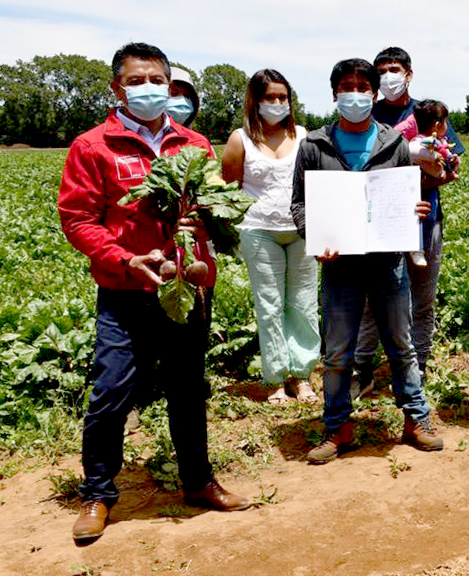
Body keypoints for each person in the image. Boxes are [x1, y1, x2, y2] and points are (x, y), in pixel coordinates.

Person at [58, 42, 251, 543]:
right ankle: (98, 493)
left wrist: (204, 245)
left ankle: (198, 481)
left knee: (188, 388)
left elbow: (213, 209)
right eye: (136, 80)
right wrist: (125, 259)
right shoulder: (93, 145)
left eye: (156, 80)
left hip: (185, 287)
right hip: (125, 289)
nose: (148, 88)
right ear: (117, 87)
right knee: (111, 390)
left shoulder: (193, 144)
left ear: (169, 84)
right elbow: (78, 219)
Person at [290, 58, 443, 463]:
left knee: (401, 343)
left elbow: (402, 196)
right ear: (334, 93)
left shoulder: (392, 142)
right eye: (346, 87)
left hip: (387, 259)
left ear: (373, 94)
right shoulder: (315, 145)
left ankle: (416, 419)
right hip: (340, 264)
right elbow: (300, 205)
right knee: (338, 352)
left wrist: (415, 210)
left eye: (362, 87)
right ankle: (337, 427)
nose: (354, 94)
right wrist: (316, 237)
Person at [350, 48, 465, 395]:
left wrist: (421, 180)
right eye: (382, 71)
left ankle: (418, 368)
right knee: (370, 300)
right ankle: (362, 370)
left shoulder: (428, 112)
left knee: (422, 297)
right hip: (378, 220)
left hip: (426, 220)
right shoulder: (367, 115)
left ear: (409, 74)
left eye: (394, 69)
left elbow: (451, 163)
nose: (388, 77)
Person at [221, 69, 319, 405]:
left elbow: (316, 184)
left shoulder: (304, 135)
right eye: (269, 98)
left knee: (304, 304)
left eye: (282, 97)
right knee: (270, 305)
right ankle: (277, 379)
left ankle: (303, 376)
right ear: (255, 101)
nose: (277, 104)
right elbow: (229, 189)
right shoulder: (240, 139)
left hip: (301, 231)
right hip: (259, 230)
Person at [395, 99, 460, 269]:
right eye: (446, 121)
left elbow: (447, 154)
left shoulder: (439, 141)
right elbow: (411, 149)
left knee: (429, 217)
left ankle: (420, 247)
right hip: (418, 186)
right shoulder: (421, 140)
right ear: (438, 124)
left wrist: (450, 161)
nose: (447, 125)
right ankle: (416, 248)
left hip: (432, 183)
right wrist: (432, 156)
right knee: (423, 217)